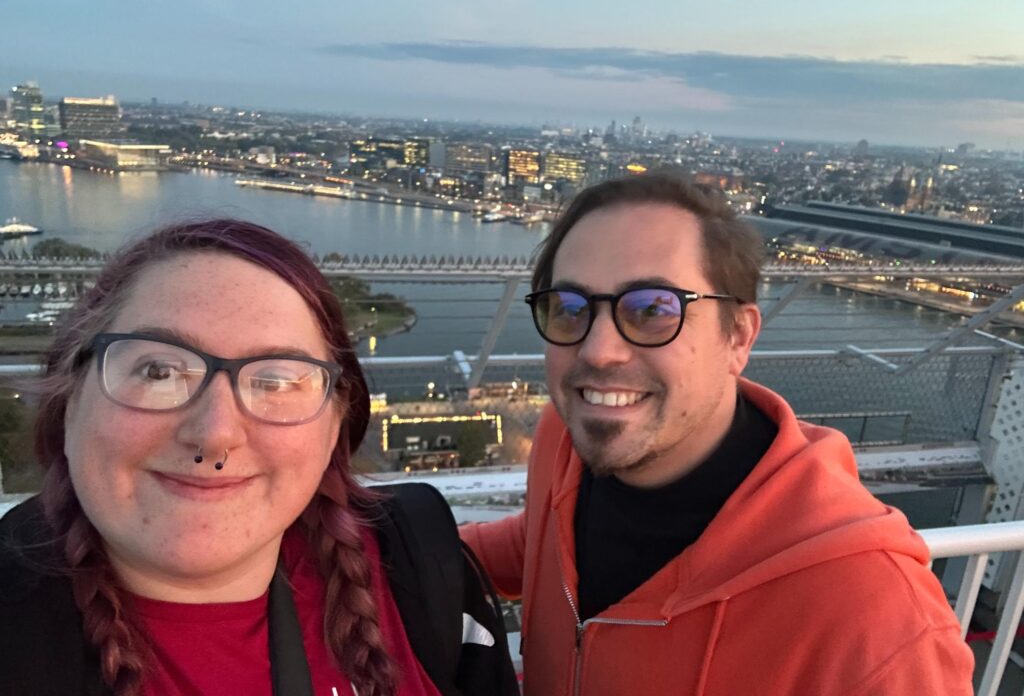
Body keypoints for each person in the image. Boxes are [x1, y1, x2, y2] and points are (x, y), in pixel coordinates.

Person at [461, 172, 975, 695]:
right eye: (569, 309)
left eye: (652, 310)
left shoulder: (877, 622)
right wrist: (412, 546)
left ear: (738, 337)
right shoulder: (565, 437)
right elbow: (545, 539)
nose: (598, 352)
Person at [0, 219, 517, 696]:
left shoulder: (420, 570)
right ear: (70, 402)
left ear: (335, 426)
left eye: (275, 381)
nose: (215, 435)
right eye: (159, 372)